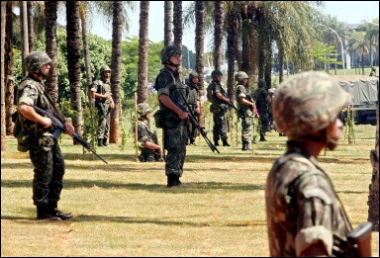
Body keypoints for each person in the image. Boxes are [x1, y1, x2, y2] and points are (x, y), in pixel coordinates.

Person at [265, 71, 355, 256]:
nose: (339, 124)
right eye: (334, 116)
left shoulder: (284, 166)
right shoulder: (310, 181)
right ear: (316, 119)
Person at [16, 51, 75, 221]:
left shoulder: (39, 85)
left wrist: (65, 122)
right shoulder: (30, 86)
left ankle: (52, 207)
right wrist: (41, 119)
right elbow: (24, 107)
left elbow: (50, 110)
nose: (49, 66)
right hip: (38, 137)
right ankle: (43, 211)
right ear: (35, 67)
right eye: (45, 64)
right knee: (45, 172)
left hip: (49, 137)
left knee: (58, 169)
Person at [155, 45, 189, 187]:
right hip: (172, 118)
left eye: (179, 55)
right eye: (175, 55)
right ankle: (172, 178)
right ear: (167, 58)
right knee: (174, 147)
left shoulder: (175, 76)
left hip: (180, 119)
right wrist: (179, 111)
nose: (178, 57)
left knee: (181, 147)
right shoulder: (165, 75)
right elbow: (163, 97)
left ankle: (177, 176)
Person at [90, 65, 115, 147]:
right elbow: (92, 93)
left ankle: (105, 141)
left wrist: (112, 102)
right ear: (102, 73)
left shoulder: (107, 83)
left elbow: (109, 94)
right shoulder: (97, 82)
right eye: (106, 72)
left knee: (107, 124)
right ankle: (100, 142)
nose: (108, 73)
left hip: (108, 106)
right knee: (102, 123)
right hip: (100, 105)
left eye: (109, 72)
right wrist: (103, 96)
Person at [207, 69, 231, 147]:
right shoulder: (216, 85)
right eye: (219, 76)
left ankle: (216, 141)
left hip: (215, 107)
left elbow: (209, 98)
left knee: (216, 125)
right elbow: (218, 94)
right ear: (215, 77)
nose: (220, 78)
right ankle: (224, 141)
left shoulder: (210, 86)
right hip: (220, 107)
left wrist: (214, 103)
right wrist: (226, 99)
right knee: (222, 124)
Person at [235, 71, 256, 151]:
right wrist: (251, 104)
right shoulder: (240, 87)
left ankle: (247, 144)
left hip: (246, 110)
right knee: (246, 128)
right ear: (240, 79)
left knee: (248, 127)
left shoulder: (242, 87)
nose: (246, 80)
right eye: (245, 78)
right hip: (245, 110)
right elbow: (242, 100)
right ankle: (245, 145)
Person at [186, 72, 201, 145]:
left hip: (194, 107)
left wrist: (198, 107)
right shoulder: (186, 87)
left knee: (195, 123)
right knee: (188, 124)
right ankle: (186, 139)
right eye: (194, 78)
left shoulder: (196, 88)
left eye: (197, 78)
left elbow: (197, 99)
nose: (196, 79)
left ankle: (193, 139)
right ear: (191, 78)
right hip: (188, 107)